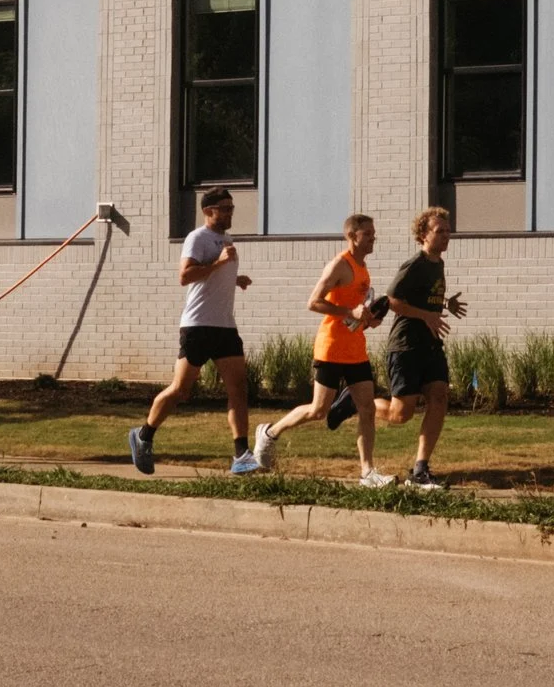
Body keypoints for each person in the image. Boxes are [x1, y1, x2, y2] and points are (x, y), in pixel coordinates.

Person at [252, 214, 390, 485]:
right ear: (352, 236)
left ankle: (367, 472)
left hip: (355, 348)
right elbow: (313, 302)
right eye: (368, 234)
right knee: (318, 410)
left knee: (367, 409)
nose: (373, 238)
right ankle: (270, 433)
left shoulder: (363, 268)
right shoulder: (339, 265)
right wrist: (350, 311)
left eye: (374, 233)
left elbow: (354, 310)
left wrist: (368, 319)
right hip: (331, 348)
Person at [129, 186, 256, 476]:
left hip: (224, 325)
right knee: (181, 390)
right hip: (198, 325)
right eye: (224, 208)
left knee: (238, 388)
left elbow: (212, 277)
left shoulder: (226, 238)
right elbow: (185, 276)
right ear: (208, 211)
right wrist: (221, 263)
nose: (230, 212)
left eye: (231, 208)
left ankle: (241, 454)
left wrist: (235, 278)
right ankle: (144, 435)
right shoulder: (197, 238)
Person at [375, 206, 467, 491]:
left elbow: (425, 299)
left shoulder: (437, 264)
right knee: (400, 415)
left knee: (439, 398)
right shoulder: (414, 264)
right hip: (405, 347)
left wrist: (444, 304)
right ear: (423, 235)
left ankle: (420, 469)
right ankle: (358, 400)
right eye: (440, 232)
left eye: (448, 231)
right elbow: (392, 300)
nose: (446, 236)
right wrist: (427, 315)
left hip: (430, 345)